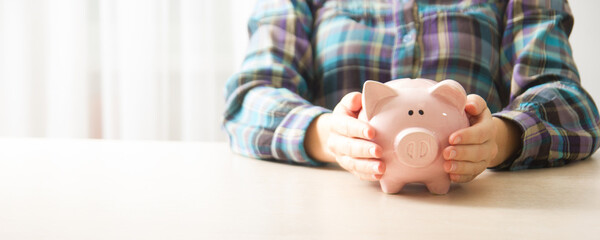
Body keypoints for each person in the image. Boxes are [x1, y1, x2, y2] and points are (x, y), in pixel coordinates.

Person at [223, 0, 600, 184]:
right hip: (336, 216)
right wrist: (329, 137)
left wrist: (500, 139)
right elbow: (249, 99)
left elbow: (572, 103)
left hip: (477, 214)